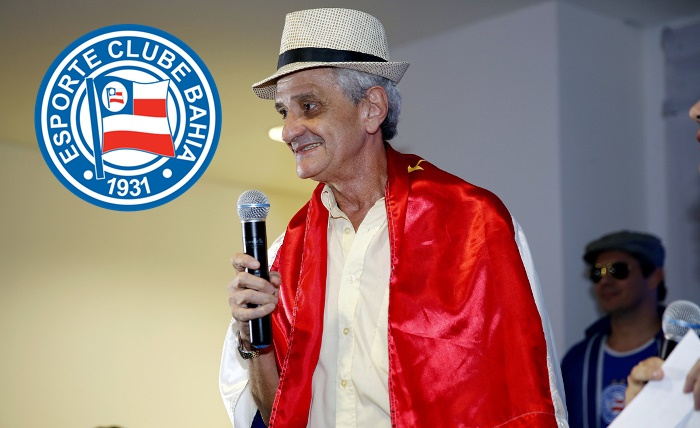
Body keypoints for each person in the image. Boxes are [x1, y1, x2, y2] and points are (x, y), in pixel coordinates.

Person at [219, 8, 567, 427]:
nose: (291, 130)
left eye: (308, 106)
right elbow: (275, 413)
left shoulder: (475, 225)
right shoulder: (283, 253)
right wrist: (253, 340)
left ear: (372, 108)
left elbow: (529, 390)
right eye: (283, 112)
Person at [561, 230, 667, 427]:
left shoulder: (685, 350)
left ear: (654, 276)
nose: (605, 280)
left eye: (618, 270)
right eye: (597, 273)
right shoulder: (577, 361)